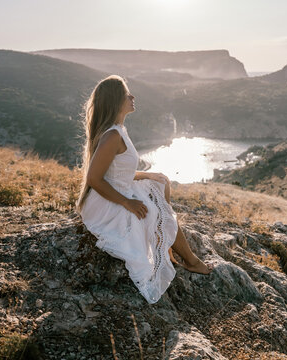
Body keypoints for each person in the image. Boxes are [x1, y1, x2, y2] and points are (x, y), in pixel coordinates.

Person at [75, 75, 213, 304]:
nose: (132, 96)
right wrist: (126, 202)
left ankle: (169, 246)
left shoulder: (118, 130)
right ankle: (189, 259)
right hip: (106, 202)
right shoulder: (112, 136)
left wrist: (148, 174)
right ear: (115, 100)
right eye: (127, 94)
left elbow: (117, 172)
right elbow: (94, 179)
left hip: (118, 190)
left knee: (160, 183)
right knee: (156, 212)